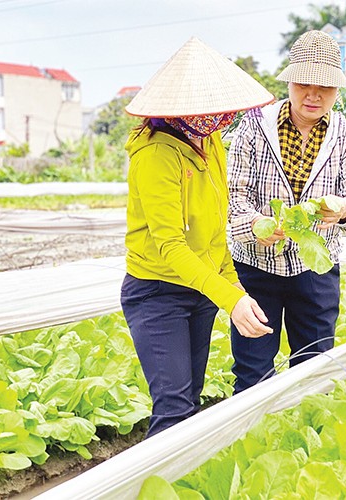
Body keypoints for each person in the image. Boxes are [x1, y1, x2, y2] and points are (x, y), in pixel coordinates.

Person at [120, 37, 275, 437]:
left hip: (200, 290)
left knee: (191, 400)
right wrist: (231, 300)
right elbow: (170, 245)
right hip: (157, 292)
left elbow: (215, 234)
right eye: (213, 110)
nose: (221, 118)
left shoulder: (210, 143)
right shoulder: (156, 155)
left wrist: (235, 290)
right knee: (173, 408)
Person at [227, 30, 346, 393]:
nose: (314, 95)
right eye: (305, 83)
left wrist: (343, 209)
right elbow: (232, 198)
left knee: (315, 367)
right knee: (252, 370)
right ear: (290, 80)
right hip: (256, 267)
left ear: (337, 91)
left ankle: (306, 442)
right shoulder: (253, 127)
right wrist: (256, 224)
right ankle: (250, 441)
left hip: (316, 268)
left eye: (325, 87)